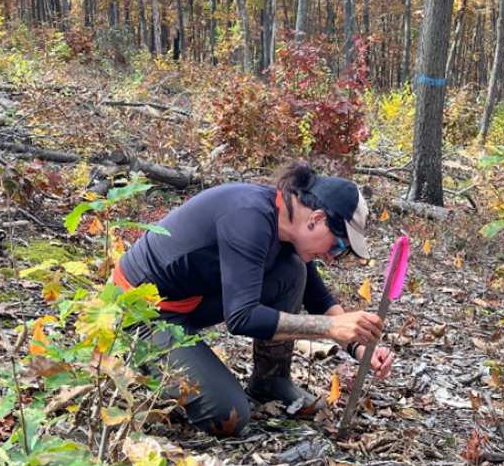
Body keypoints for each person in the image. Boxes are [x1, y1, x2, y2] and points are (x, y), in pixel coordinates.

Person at [111, 160, 395, 436]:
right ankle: (137, 356)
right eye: (338, 244)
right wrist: (329, 328)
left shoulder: (288, 224)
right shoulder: (249, 218)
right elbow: (241, 317)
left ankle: (271, 382)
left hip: (190, 301)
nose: (333, 256)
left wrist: (358, 346)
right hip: (140, 311)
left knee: (294, 271)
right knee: (227, 416)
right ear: (317, 219)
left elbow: (319, 299)